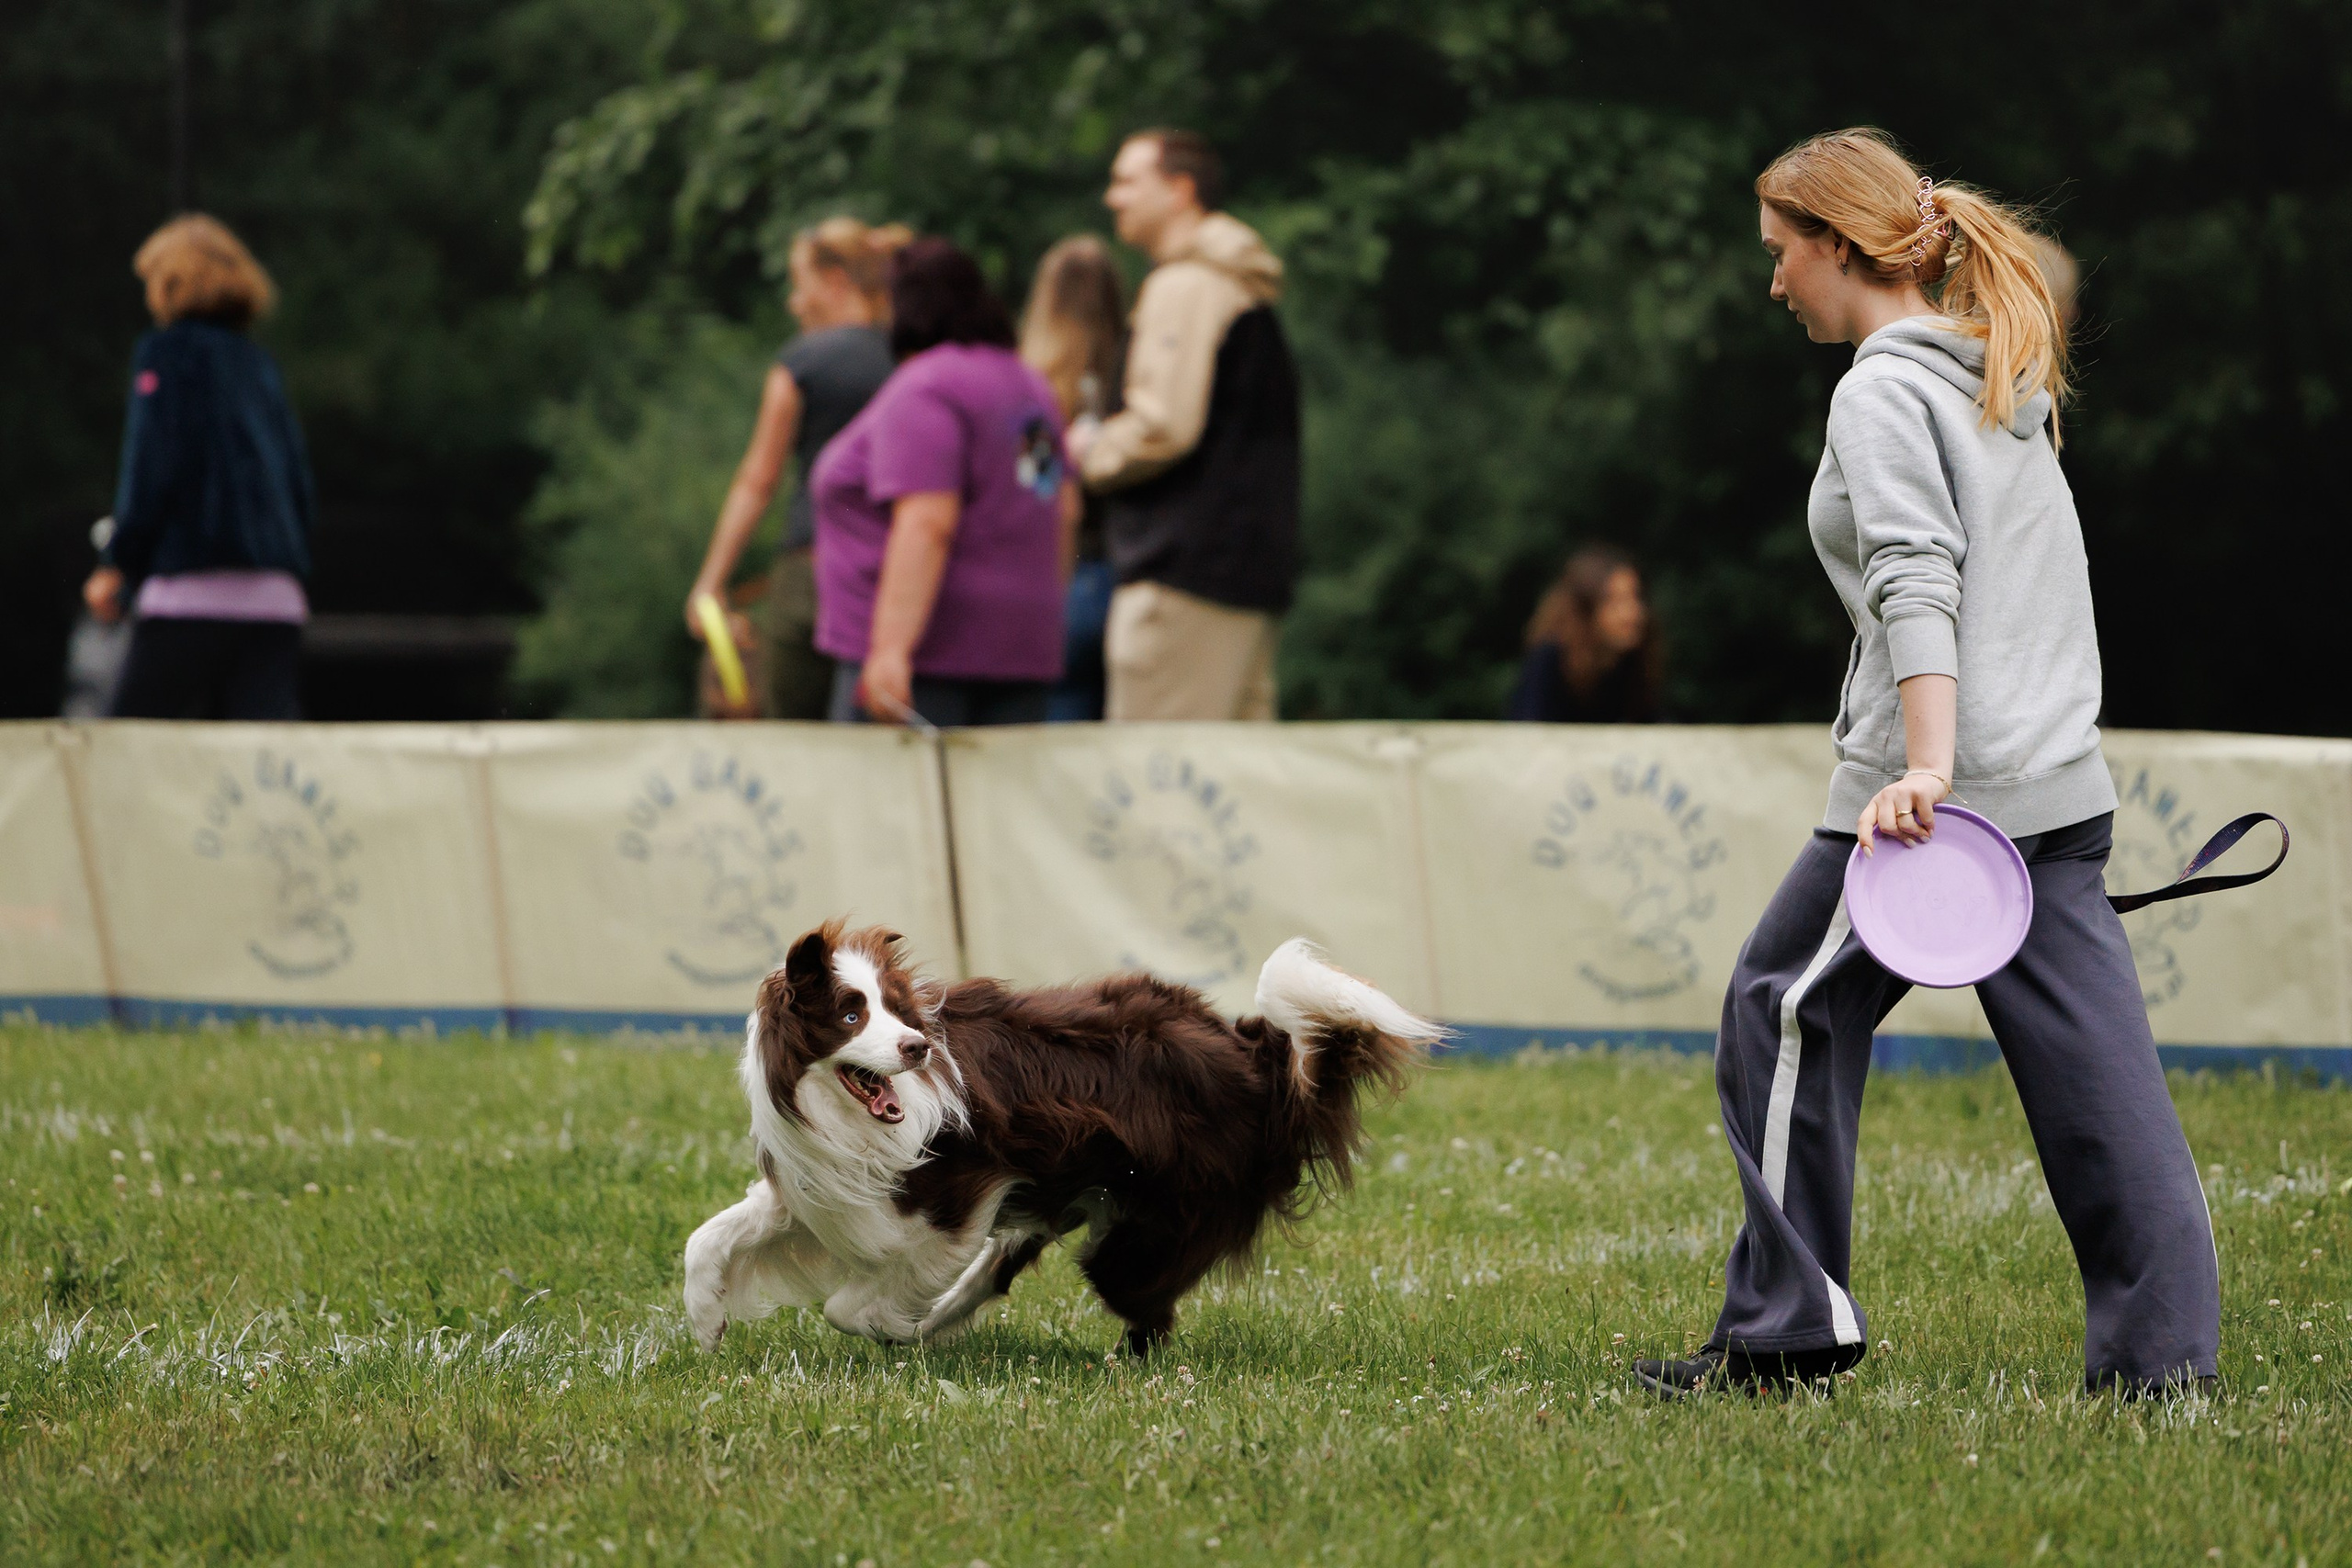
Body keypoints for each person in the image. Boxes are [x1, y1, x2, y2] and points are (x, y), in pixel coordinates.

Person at [1635, 130, 2219, 1402]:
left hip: (1936, 796)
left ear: (1840, 247)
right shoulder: (1995, 373)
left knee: (1781, 1002)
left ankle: (1784, 1334)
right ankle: (2162, 1367)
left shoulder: (1884, 390)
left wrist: (1932, 770)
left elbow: (1918, 578)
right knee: (2096, 1076)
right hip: (2052, 781)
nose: (1775, 281)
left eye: (1783, 255)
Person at [1073, 129, 1300, 722]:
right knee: (1235, 786)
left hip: (1181, 572)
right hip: (1240, 574)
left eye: (1127, 181)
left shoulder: (1187, 285)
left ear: (1180, 190)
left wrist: (1091, 451)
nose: (1112, 197)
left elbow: (1164, 425)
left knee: (1160, 786)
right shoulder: (1240, 288)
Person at [810, 237, 1076, 727]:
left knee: (887, 802)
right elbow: (1058, 507)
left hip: (930, 661)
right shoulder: (1030, 387)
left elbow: (928, 521)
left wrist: (891, 649)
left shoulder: (925, 387)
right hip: (1023, 652)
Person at [84, 215, 315, 720]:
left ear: (168, 282)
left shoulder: (164, 355)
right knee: (264, 772)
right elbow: (299, 485)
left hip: (191, 600)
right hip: (276, 605)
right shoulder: (259, 365)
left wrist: (117, 566)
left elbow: (151, 470)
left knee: (122, 755)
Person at [685, 218, 909, 719]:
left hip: (813, 571)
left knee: (796, 738)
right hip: (896, 571)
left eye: (798, 284)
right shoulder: (910, 358)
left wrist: (712, 581)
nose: (794, 302)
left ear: (834, 282)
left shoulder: (803, 362)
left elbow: (758, 480)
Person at [1019, 235, 1127, 722]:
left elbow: (1035, 491)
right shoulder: (1137, 376)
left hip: (1062, 579)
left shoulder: (1035, 390)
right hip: (1127, 578)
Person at [1507, 546, 1660, 722]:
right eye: (1615, 601)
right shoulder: (1551, 658)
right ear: (1586, 610)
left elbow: (1653, 727)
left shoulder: (1632, 661)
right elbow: (1526, 729)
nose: (1632, 613)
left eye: (1635, 597)